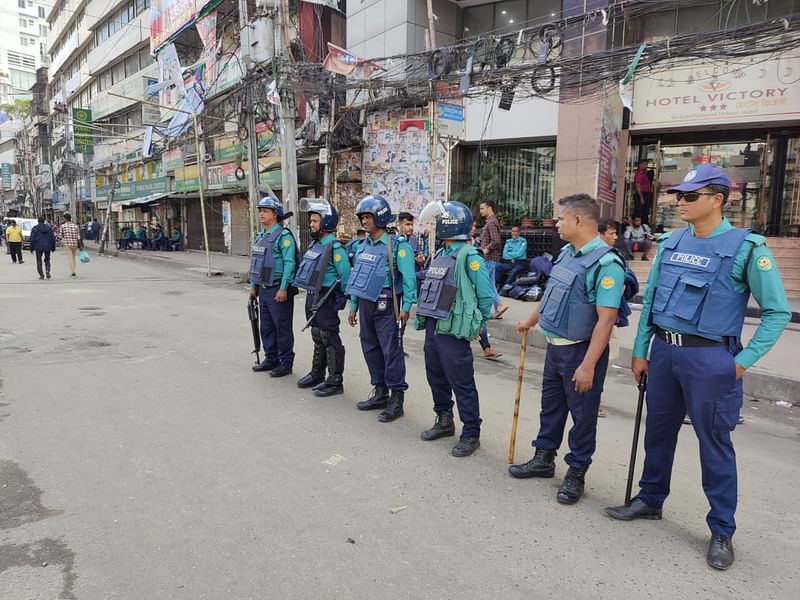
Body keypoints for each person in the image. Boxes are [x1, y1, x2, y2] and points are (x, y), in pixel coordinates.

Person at [605, 164, 791, 571]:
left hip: (711, 359)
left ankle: (722, 529)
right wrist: (640, 349)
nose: (680, 203)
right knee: (658, 432)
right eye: (679, 196)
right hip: (665, 354)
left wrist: (740, 364)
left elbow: (778, 313)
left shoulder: (748, 249)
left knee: (715, 446)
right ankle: (651, 499)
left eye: (690, 196)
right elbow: (651, 298)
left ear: (718, 199)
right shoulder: (671, 242)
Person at [510, 194, 624, 505]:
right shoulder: (567, 254)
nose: (557, 223)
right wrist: (531, 320)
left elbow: (606, 320)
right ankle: (544, 458)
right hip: (555, 347)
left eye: (561, 218)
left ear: (578, 221)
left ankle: (576, 472)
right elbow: (551, 292)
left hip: (581, 352)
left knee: (583, 416)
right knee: (552, 408)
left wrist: (588, 365)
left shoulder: (606, 264)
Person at [415, 202, 494, 457]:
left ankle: (471, 433)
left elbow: (485, 296)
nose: (436, 225)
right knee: (435, 376)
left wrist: (478, 325)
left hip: (454, 330)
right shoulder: (440, 253)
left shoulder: (469, 256)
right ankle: (444, 420)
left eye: (440, 221)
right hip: (434, 326)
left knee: (462, 382)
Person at [347, 195, 417, 422]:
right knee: (370, 348)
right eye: (363, 217)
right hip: (366, 303)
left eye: (368, 217)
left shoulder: (397, 244)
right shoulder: (362, 245)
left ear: (381, 217)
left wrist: (406, 307)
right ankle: (379, 391)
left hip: (389, 304)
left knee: (391, 351)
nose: (365, 221)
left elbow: (409, 278)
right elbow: (357, 276)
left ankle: (396, 398)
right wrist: (354, 306)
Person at [294, 200, 352, 397]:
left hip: (327, 296)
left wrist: (342, 299)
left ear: (326, 222)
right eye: (311, 221)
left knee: (329, 336)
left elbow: (345, 274)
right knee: (317, 335)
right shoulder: (316, 244)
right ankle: (317, 373)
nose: (311, 224)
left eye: (315, 221)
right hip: (313, 295)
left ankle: (335, 380)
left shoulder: (335, 247)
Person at [248, 196, 297, 377]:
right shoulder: (261, 236)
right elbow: (256, 262)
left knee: (282, 327)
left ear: (275, 214)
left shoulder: (284, 237)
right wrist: (253, 285)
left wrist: (283, 288)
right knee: (266, 326)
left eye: (265, 211)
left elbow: (289, 263)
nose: (261, 214)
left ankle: (286, 362)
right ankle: (271, 358)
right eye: (260, 210)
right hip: (263, 288)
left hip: (278, 289)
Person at [478, 200, 508, 319]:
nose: (480, 211)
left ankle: (499, 305)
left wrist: (486, 249)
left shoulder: (491, 222)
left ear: (489, 208)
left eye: (482, 208)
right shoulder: (491, 222)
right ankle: (497, 308)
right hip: (490, 258)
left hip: (489, 257)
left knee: (486, 283)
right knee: (490, 282)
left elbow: (496, 241)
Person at [633, 159, 652, 223]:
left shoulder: (644, 174)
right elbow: (637, 185)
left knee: (644, 211)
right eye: (644, 164)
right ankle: (638, 226)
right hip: (641, 194)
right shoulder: (640, 174)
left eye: (646, 164)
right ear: (640, 165)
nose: (645, 166)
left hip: (645, 194)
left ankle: (643, 225)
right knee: (639, 212)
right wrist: (641, 197)